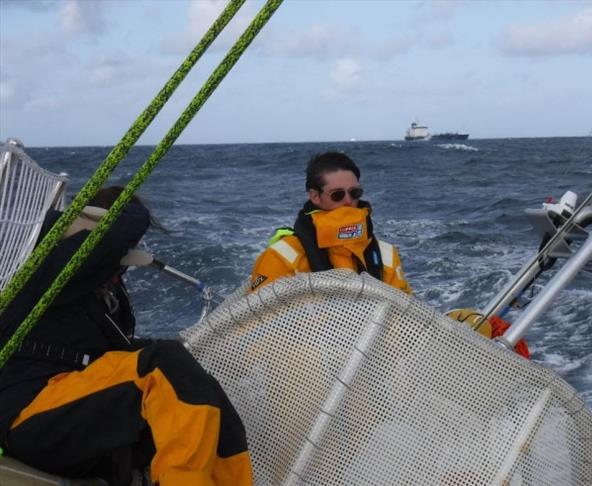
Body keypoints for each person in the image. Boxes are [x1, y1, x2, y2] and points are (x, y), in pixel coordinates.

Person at [0, 187, 253, 486]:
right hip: (30, 415)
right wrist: (122, 214)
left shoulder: (99, 295)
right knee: (165, 364)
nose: (122, 271)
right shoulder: (45, 269)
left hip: (71, 413)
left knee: (206, 394)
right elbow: (118, 234)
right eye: (118, 260)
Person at [250, 151, 411, 294]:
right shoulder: (280, 257)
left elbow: (404, 313)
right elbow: (257, 318)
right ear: (315, 196)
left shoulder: (386, 254)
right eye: (337, 195)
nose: (348, 201)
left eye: (355, 192)